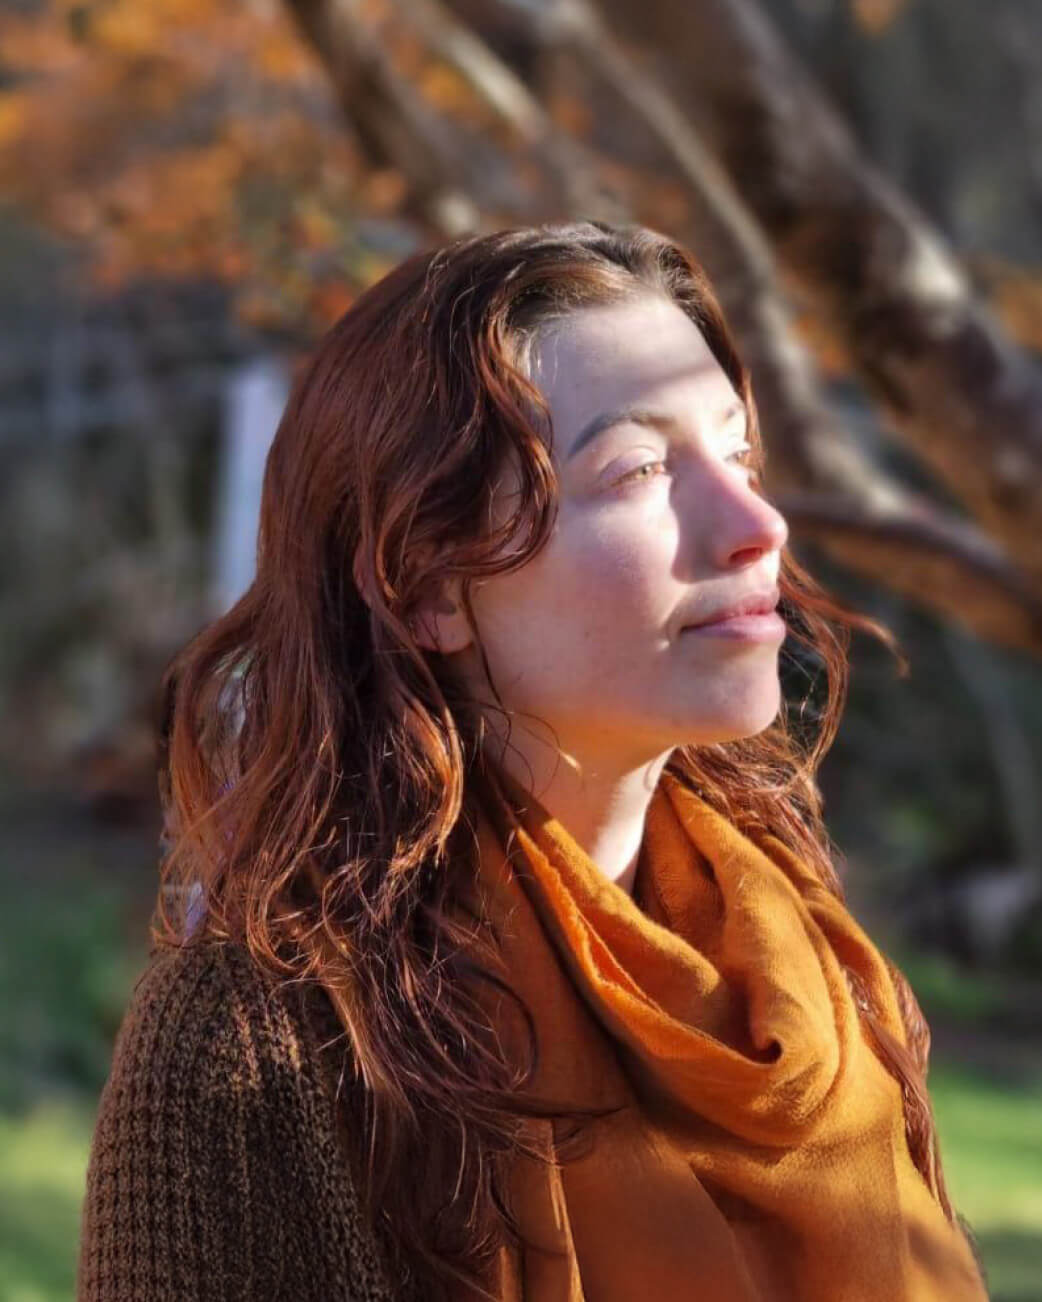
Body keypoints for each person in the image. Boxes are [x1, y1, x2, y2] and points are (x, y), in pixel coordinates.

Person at [77, 221, 990, 1302]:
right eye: (640, 468)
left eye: (739, 454)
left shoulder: (818, 980)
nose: (755, 524)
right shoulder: (259, 1059)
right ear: (421, 584)